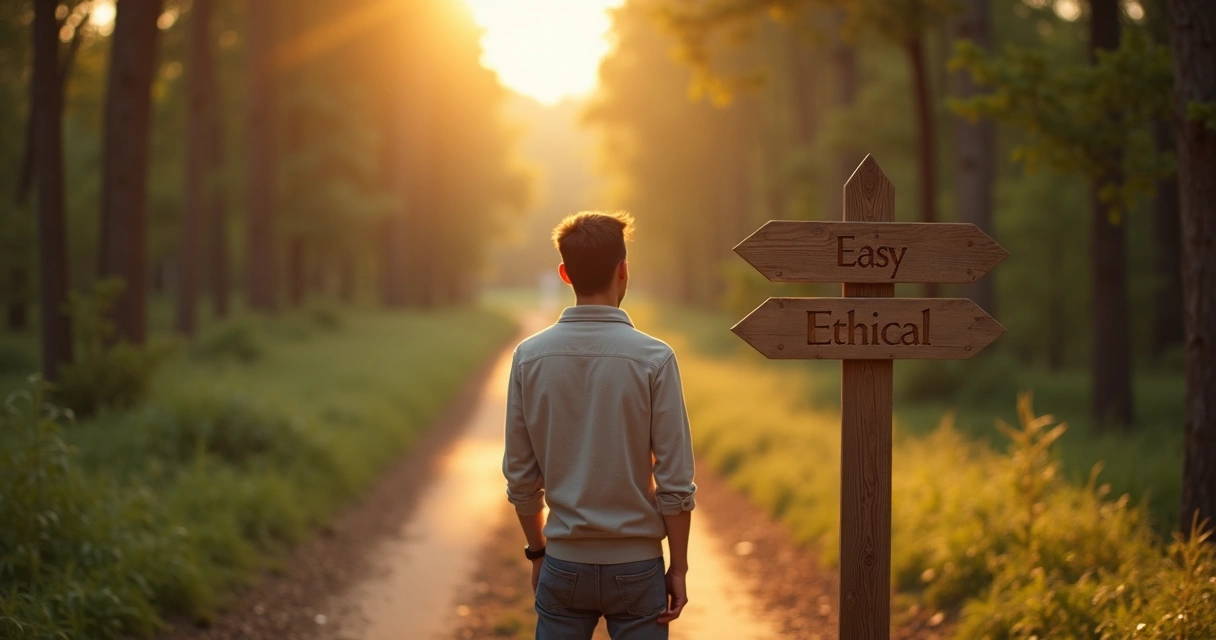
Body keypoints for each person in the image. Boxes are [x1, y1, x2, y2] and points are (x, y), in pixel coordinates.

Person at [502, 211, 697, 640]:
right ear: (623, 270)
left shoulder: (528, 357)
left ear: (565, 273)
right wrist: (677, 567)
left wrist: (538, 553)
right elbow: (676, 481)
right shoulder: (655, 358)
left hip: (563, 565)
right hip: (637, 567)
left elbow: (520, 475)